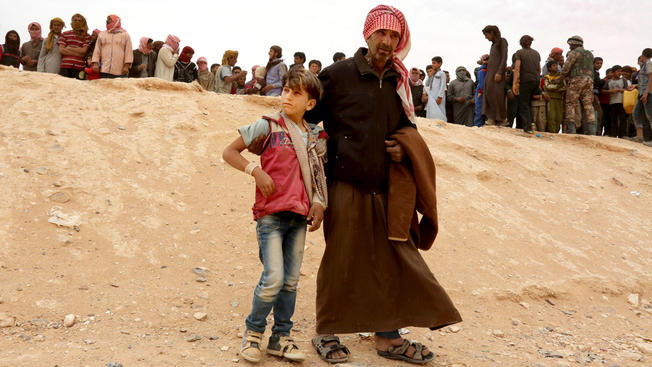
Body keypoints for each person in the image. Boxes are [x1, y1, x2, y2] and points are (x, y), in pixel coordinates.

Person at [301, 5, 461, 365]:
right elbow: (306, 117)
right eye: (381, 34)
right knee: (341, 256)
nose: (387, 42)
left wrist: (404, 148)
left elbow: (409, 129)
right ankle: (327, 331)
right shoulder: (337, 76)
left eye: (394, 36)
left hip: (388, 187)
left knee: (394, 258)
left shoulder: (398, 82)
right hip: (344, 182)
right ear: (367, 35)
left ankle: (387, 337)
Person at [222, 67, 327, 364]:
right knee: (273, 278)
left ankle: (281, 337)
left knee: (290, 281)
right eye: (285, 90)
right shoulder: (267, 125)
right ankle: (253, 333)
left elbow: (319, 174)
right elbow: (229, 152)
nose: (287, 97)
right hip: (270, 216)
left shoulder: (315, 135)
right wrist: (254, 171)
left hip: (299, 218)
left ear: (310, 103)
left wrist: (319, 203)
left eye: (296, 93)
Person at [560, 35, 595, 135]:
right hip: (589, 81)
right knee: (588, 104)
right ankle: (592, 130)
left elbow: (566, 68)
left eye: (570, 45)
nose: (569, 47)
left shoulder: (574, 53)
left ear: (574, 44)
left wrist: (560, 78)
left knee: (570, 103)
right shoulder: (590, 54)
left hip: (576, 80)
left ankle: (571, 129)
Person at [512, 35, 541, 133]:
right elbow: (539, 69)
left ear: (521, 43)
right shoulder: (536, 53)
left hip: (526, 80)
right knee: (529, 103)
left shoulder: (519, 53)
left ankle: (527, 127)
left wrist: (515, 84)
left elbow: (517, 69)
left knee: (523, 104)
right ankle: (532, 124)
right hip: (536, 80)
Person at [482, 25, 509, 126]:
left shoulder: (502, 41)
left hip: (497, 73)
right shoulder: (493, 45)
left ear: (492, 33)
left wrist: (499, 72)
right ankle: (491, 117)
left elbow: (504, 57)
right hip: (490, 73)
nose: (486, 37)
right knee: (489, 93)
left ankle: (501, 119)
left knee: (497, 96)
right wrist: (485, 62)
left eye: (487, 34)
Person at [58, 14, 90, 79]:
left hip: (79, 67)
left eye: (79, 20)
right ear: (72, 21)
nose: (77, 22)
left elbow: (84, 51)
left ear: (83, 22)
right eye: (75, 20)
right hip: (65, 66)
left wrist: (69, 48)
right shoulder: (65, 34)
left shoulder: (86, 36)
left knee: (78, 88)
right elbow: (61, 50)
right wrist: (79, 53)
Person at [603, 65, 631, 138]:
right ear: (613, 72)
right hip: (612, 102)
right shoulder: (609, 81)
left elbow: (627, 89)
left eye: (621, 71)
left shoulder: (623, 80)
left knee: (623, 119)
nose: (620, 73)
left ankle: (623, 135)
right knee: (613, 119)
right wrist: (611, 91)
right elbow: (603, 91)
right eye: (618, 71)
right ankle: (613, 134)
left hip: (622, 102)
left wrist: (619, 90)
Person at [633, 48, 652, 146]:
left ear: (642, 55)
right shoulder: (645, 65)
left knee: (650, 116)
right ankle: (639, 136)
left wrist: (646, 93)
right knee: (637, 113)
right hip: (642, 92)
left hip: (647, 93)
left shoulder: (648, 64)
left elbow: (651, 78)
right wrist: (636, 86)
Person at [543, 60, 566, 133]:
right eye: (554, 65)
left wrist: (556, 88)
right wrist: (558, 86)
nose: (556, 67)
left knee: (559, 117)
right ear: (549, 68)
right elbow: (548, 86)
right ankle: (552, 132)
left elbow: (565, 87)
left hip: (559, 99)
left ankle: (556, 132)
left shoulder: (560, 76)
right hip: (551, 99)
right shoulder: (547, 77)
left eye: (556, 65)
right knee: (551, 116)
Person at [425, 56, 447, 121]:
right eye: (432, 63)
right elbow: (427, 84)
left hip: (438, 97)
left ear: (440, 64)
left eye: (434, 63)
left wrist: (440, 97)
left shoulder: (442, 74)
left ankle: (440, 125)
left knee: (439, 111)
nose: (433, 65)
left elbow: (442, 86)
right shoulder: (432, 73)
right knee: (431, 111)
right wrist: (430, 75)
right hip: (431, 96)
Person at [474, 54, 488, 126]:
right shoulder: (482, 70)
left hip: (483, 92)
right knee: (479, 110)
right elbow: (482, 85)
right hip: (481, 92)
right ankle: (478, 126)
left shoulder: (486, 70)